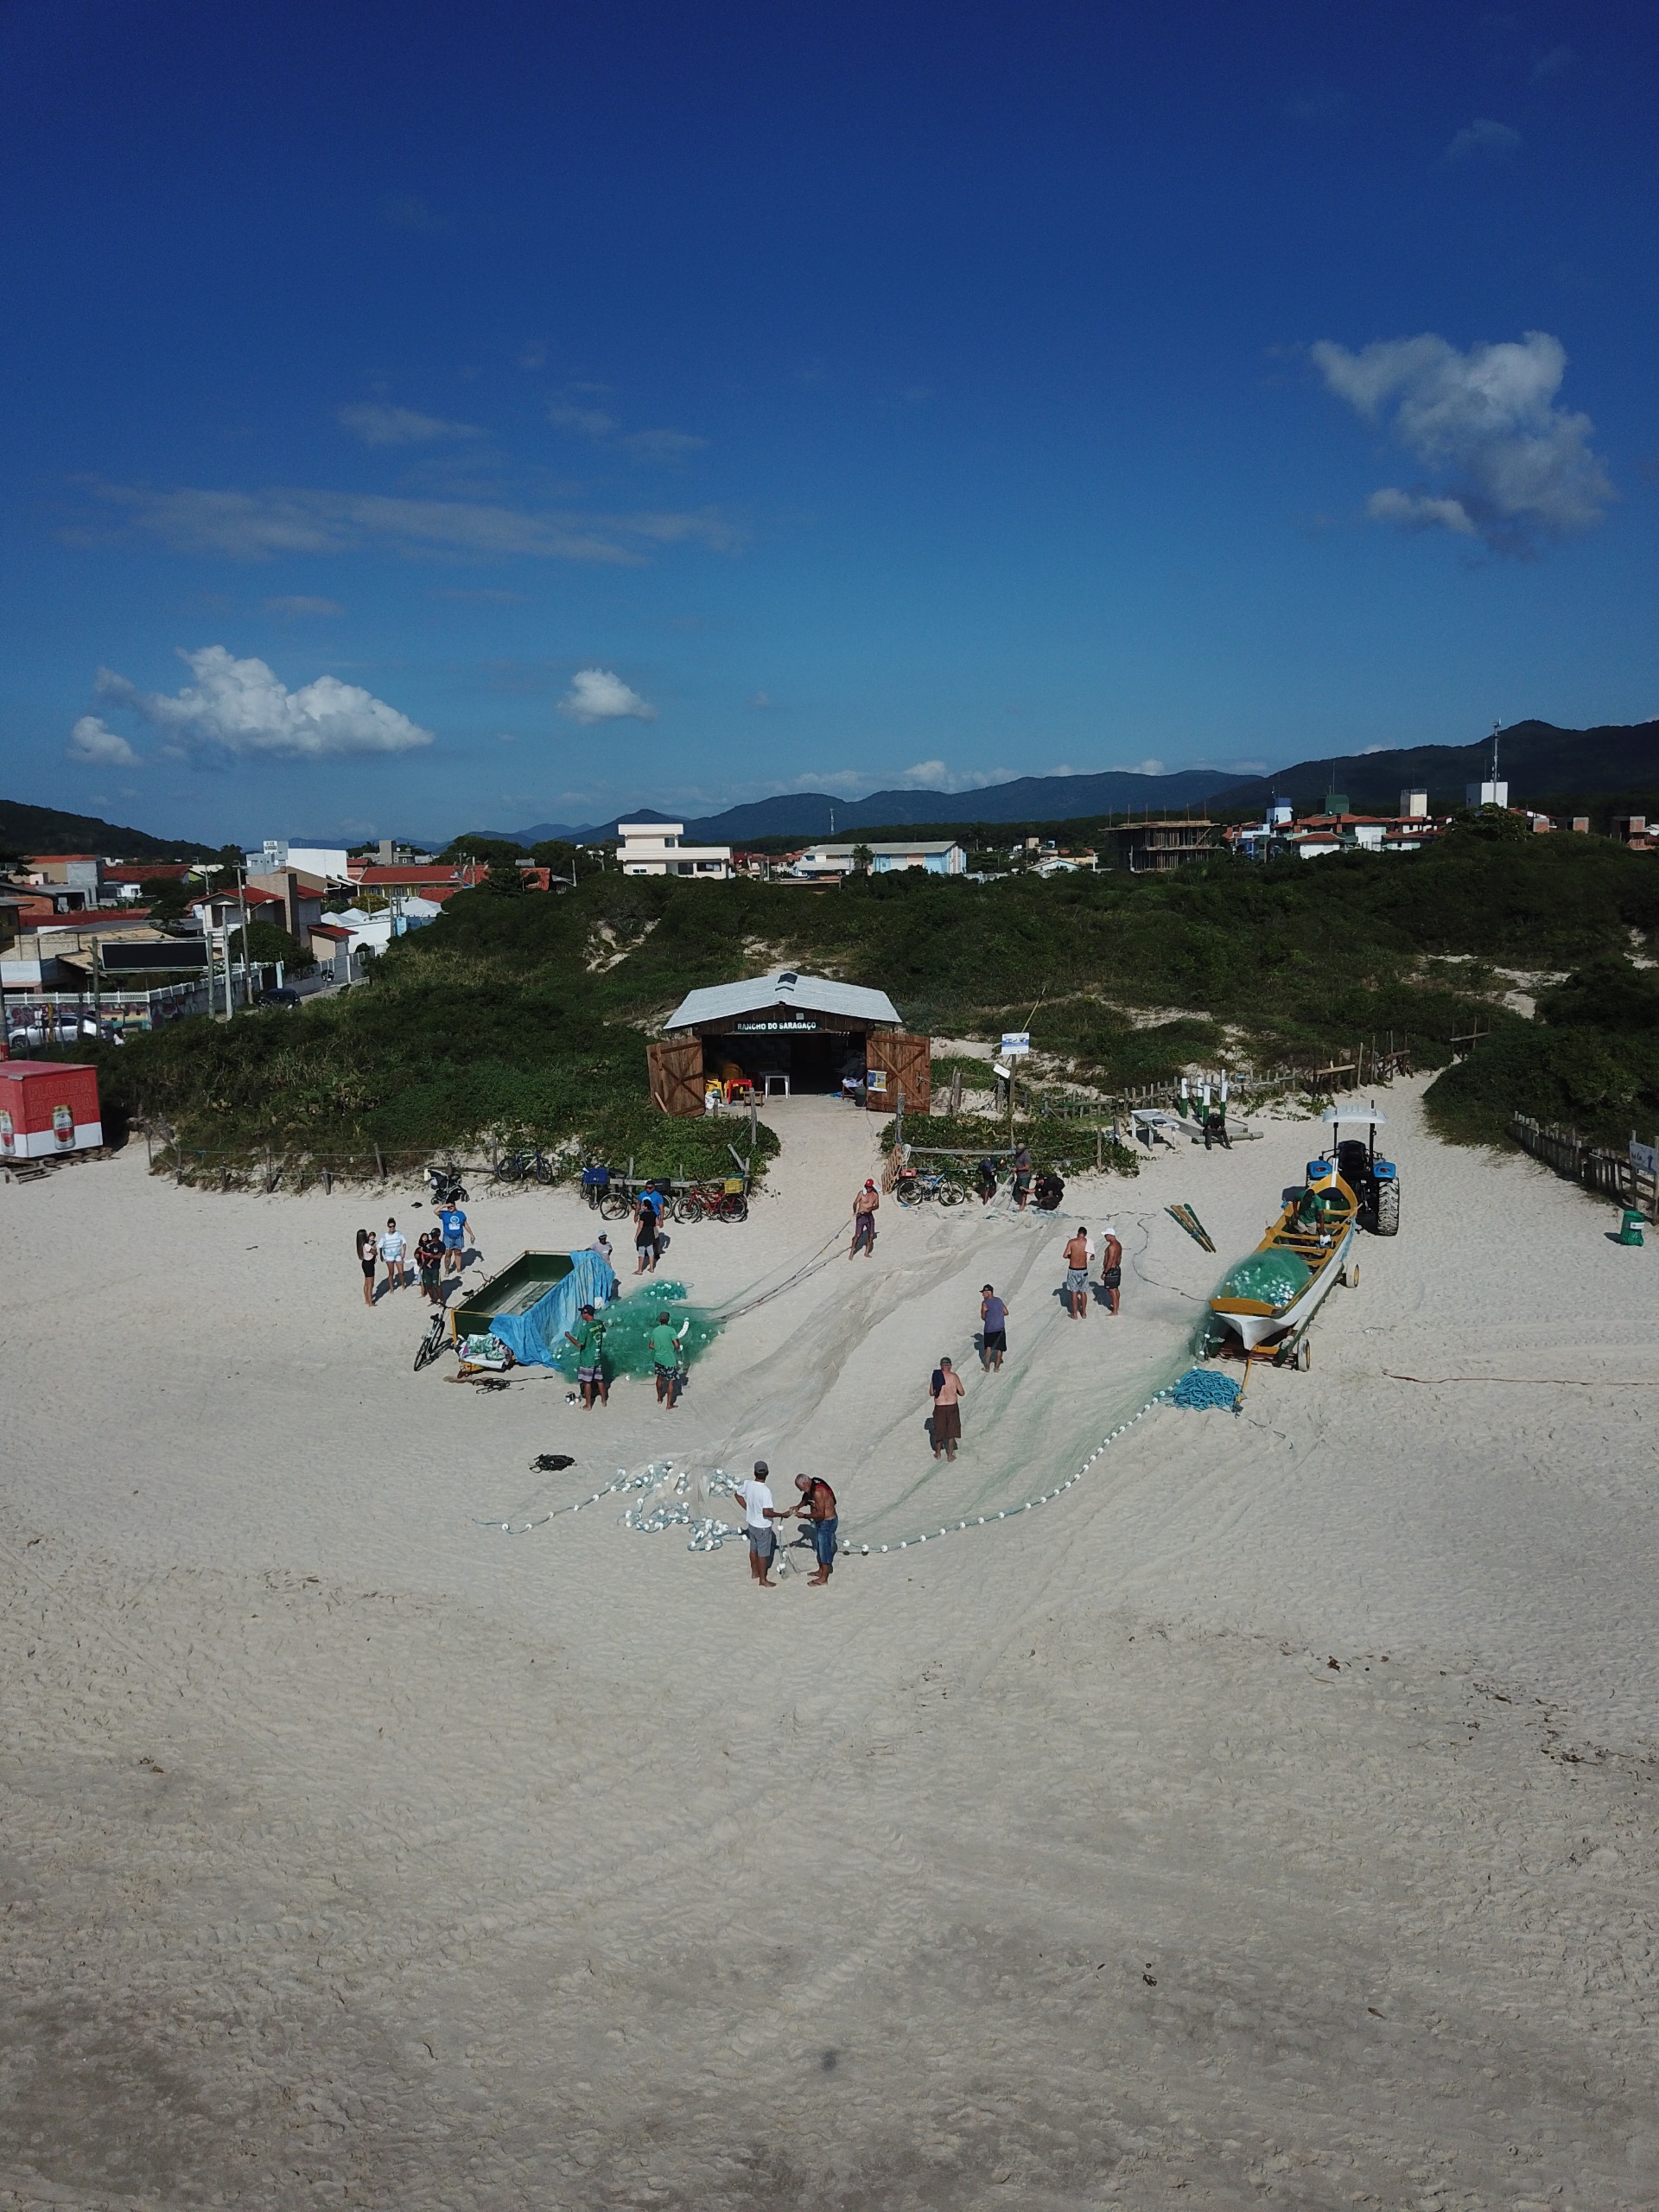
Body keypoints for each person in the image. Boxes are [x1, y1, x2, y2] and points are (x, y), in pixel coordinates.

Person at [734, 1459, 785, 1586]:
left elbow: (738, 1495)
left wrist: (748, 1508)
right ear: (767, 1473)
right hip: (762, 1526)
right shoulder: (765, 1491)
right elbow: (766, 1512)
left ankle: (754, 1572)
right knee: (763, 1554)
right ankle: (763, 1580)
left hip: (751, 1523)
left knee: (753, 1550)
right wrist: (781, 1514)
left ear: (754, 1473)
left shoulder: (748, 1484)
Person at [790, 1473, 839, 1586]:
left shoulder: (817, 1492)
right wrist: (798, 1506)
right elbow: (806, 1499)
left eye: (800, 1488)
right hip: (821, 1523)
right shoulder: (812, 1486)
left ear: (805, 1483)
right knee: (820, 1547)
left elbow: (821, 1515)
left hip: (827, 1522)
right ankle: (821, 1571)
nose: (800, 1491)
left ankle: (824, 1579)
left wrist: (804, 1516)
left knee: (824, 1549)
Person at [564, 1302, 608, 1409]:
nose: (581, 1315)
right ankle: (604, 1400)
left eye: (582, 1313)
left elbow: (579, 1344)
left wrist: (569, 1336)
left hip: (587, 1359)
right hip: (597, 1357)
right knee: (599, 1380)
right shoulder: (599, 1323)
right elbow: (603, 1330)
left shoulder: (584, 1329)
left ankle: (588, 1405)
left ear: (586, 1314)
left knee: (587, 1382)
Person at [647, 1309, 689, 1408]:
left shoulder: (655, 1330)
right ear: (668, 1320)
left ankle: (659, 1398)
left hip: (658, 1359)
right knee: (671, 1381)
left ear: (659, 1320)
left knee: (659, 1378)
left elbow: (651, 1345)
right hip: (669, 1360)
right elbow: (676, 1345)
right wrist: (674, 1347)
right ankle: (669, 1404)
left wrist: (659, 1348)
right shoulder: (671, 1331)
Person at [931, 1357, 965, 1460]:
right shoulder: (954, 1376)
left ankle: (938, 1453)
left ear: (941, 1366)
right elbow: (962, 1392)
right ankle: (950, 1456)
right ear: (949, 1366)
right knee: (952, 1431)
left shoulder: (936, 1376)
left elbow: (932, 1392)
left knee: (939, 1429)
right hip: (952, 1407)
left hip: (939, 1406)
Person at [1063, 1225, 1092, 1319]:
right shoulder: (1088, 1243)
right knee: (1083, 1291)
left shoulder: (1072, 1242)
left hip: (1073, 1269)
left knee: (1074, 1292)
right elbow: (1092, 1257)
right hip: (1083, 1269)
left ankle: (1075, 1314)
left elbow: (1064, 1255)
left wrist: (1072, 1257)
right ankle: (1084, 1313)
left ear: (1078, 1233)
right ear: (1085, 1234)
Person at [437, 1200, 470, 1275]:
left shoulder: (460, 1214)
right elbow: (435, 1211)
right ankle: (447, 1270)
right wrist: (444, 1205)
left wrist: (471, 1234)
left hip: (459, 1237)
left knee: (458, 1253)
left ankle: (459, 1269)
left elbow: (465, 1224)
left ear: (455, 1206)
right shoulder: (444, 1214)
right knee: (448, 1254)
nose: (450, 1208)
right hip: (448, 1237)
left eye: (451, 1206)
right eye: (448, 1207)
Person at [980, 1284, 1007, 1370]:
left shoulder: (985, 1303)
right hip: (1000, 1327)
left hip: (989, 1328)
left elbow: (983, 1316)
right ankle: (996, 1368)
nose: (983, 1295)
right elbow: (1006, 1312)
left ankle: (987, 1368)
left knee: (988, 1347)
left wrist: (989, 1316)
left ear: (989, 1292)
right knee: (1000, 1348)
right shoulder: (999, 1300)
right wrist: (997, 1315)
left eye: (984, 1293)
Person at [851, 1178, 880, 1260]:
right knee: (858, 1234)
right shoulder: (861, 1193)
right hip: (861, 1215)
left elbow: (877, 1205)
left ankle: (866, 1253)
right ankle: (852, 1251)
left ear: (872, 1187)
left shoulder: (875, 1195)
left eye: (869, 1187)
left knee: (871, 1235)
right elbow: (855, 1202)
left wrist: (872, 1208)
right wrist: (854, 1211)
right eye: (866, 1186)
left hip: (869, 1216)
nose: (867, 1188)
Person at [415, 1225, 445, 1304]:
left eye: (433, 1236)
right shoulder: (428, 1244)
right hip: (425, 1268)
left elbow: (439, 1256)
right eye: (431, 1235)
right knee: (428, 1286)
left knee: (436, 1286)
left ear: (437, 1236)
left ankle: (442, 1300)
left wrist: (430, 1255)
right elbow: (419, 1249)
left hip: (435, 1268)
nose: (431, 1237)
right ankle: (433, 1299)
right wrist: (417, 1255)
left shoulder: (441, 1245)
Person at [1099, 1222, 1123, 1316]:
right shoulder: (1118, 1244)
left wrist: (1105, 1272)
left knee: (1112, 1290)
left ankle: (1115, 1311)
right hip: (1116, 1268)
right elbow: (1119, 1258)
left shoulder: (1112, 1246)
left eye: (1106, 1235)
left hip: (1111, 1270)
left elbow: (1110, 1260)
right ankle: (1116, 1306)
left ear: (1110, 1235)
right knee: (1116, 1289)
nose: (1105, 1237)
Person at [633, 1191, 660, 1275]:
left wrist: (636, 1236)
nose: (642, 1206)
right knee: (650, 1251)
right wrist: (651, 1225)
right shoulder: (653, 1213)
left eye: (643, 1205)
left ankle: (640, 1270)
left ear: (646, 1206)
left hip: (644, 1234)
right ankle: (652, 1268)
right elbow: (658, 1223)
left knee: (641, 1252)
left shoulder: (643, 1215)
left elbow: (640, 1227)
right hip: (650, 1233)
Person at [378, 1217, 406, 1294]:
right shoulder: (385, 1236)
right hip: (389, 1256)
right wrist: (381, 1255)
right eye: (390, 1226)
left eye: (393, 1226)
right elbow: (380, 1246)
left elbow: (404, 1243)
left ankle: (403, 1285)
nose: (392, 1228)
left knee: (401, 1272)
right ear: (388, 1226)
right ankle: (392, 1288)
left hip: (398, 1255)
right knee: (391, 1273)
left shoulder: (399, 1234)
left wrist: (403, 1252)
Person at [355, 1226, 378, 1308]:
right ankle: (370, 1302)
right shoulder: (367, 1246)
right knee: (370, 1284)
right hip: (369, 1264)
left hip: (365, 1263)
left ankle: (366, 1300)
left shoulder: (360, 1245)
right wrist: (374, 1247)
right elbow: (375, 1253)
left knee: (366, 1283)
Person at [1011, 1144, 1033, 1210]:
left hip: (1025, 1176)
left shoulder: (1026, 1156)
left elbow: (1027, 1167)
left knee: (1023, 1190)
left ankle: (1023, 1204)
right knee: (1017, 1189)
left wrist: (1017, 1169)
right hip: (1019, 1175)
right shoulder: (1018, 1153)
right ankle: (1019, 1201)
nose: (1018, 1150)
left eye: (1019, 1150)